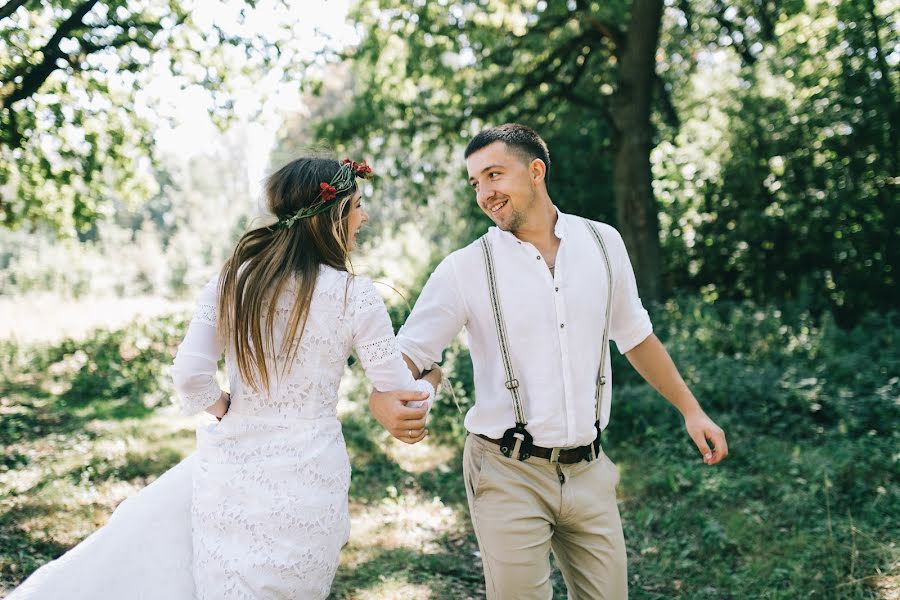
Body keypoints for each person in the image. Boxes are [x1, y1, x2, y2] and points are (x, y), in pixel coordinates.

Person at [7, 156, 439, 600]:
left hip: (234, 466)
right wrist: (430, 378)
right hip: (311, 474)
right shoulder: (354, 294)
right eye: (357, 205)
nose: (363, 216)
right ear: (331, 215)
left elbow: (190, 375)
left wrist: (225, 407)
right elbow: (399, 390)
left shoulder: (233, 280)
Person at [368, 123, 729, 599]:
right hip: (505, 471)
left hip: (590, 469)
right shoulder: (464, 268)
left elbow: (637, 337)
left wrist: (691, 409)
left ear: (536, 171)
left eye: (494, 175)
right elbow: (408, 355)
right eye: (475, 182)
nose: (485, 193)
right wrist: (382, 402)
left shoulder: (603, 244)